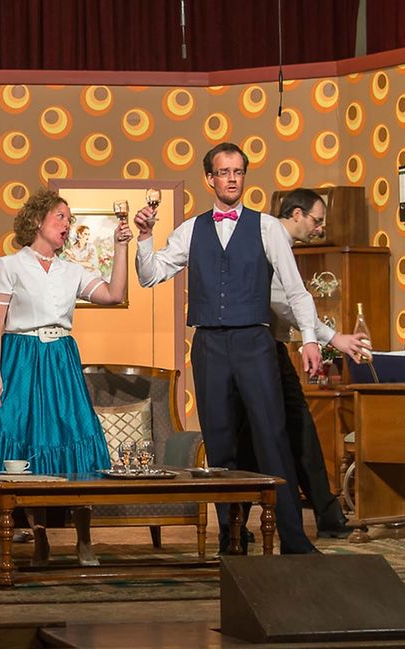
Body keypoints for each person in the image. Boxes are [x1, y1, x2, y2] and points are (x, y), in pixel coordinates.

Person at [133, 142, 320, 555]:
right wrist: (145, 238)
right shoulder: (191, 230)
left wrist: (309, 337)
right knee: (220, 443)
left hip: (254, 340)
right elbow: (150, 275)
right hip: (209, 344)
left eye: (238, 172)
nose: (232, 179)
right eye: (224, 172)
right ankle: (230, 536)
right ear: (210, 179)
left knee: (271, 436)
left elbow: (296, 289)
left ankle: (294, 538)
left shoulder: (267, 227)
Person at [0, 189, 130, 566]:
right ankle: (39, 535)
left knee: (75, 435)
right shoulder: (9, 266)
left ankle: (84, 539)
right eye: (60, 216)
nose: (66, 224)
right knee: (26, 440)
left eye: (69, 219)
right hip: (21, 359)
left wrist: (121, 247)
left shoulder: (71, 270)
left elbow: (113, 293)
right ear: (38, 220)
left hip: (60, 360)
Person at [248, 189, 370, 541]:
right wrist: (332, 337)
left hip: (274, 347)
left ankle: (327, 513)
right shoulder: (270, 235)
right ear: (297, 214)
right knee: (261, 433)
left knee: (300, 429)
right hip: (257, 349)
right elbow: (283, 302)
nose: (320, 229)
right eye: (317, 220)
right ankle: (240, 519)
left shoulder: (279, 240)